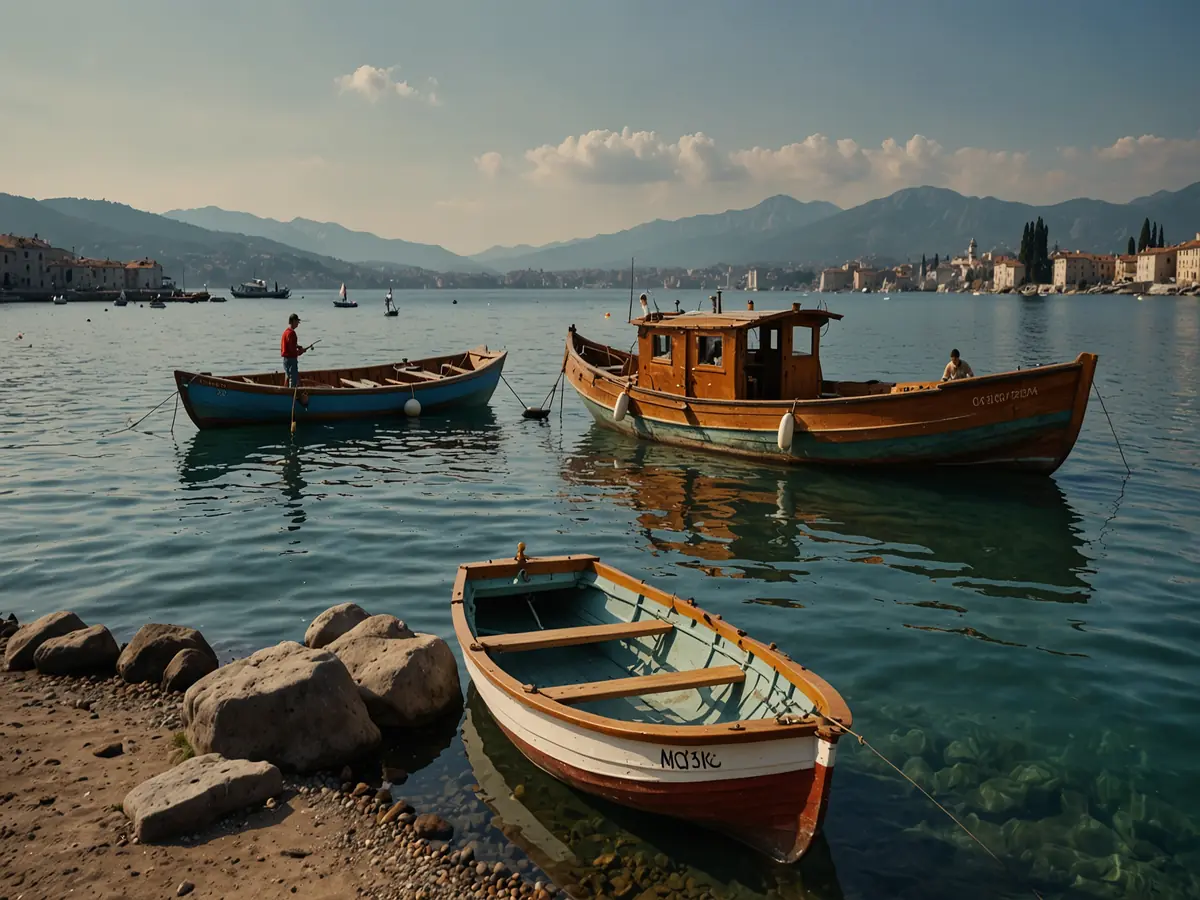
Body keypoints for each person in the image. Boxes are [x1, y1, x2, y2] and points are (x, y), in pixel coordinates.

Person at [281, 313, 308, 387]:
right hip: (291, 360)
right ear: (292, 321)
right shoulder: (292, 333)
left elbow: (290, 344)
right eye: (297, 322)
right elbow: (292, 350)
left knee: (288, 377)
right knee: (293, 380)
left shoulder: (286, 332)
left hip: (285, 360)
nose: (297, 324)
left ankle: (285, 393)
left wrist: (298, 346)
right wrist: (301, 351)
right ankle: (291, 394)